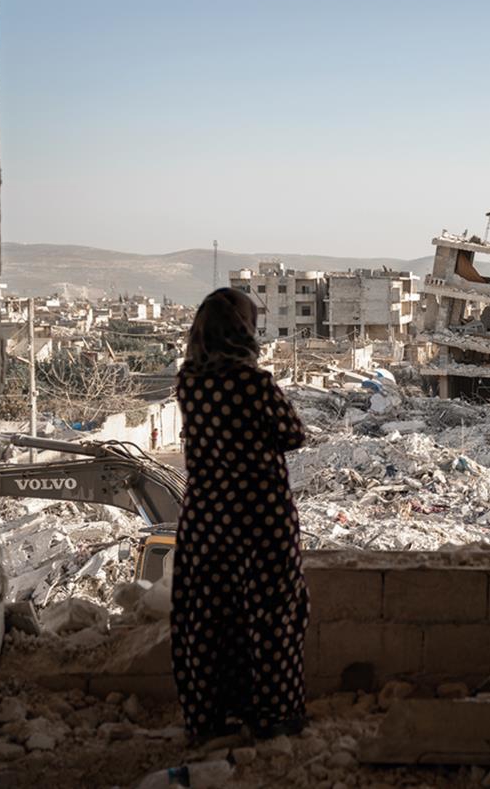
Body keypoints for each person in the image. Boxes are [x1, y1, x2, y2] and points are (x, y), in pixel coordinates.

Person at [171, 287, 309, 742]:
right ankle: (274, 714)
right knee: (273, 612)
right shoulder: (255, 383)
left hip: (207, 516)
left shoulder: (187, 382)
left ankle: (210, 717)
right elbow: (293, 435)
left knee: (210, 616)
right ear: (243, 330)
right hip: (260, 515)